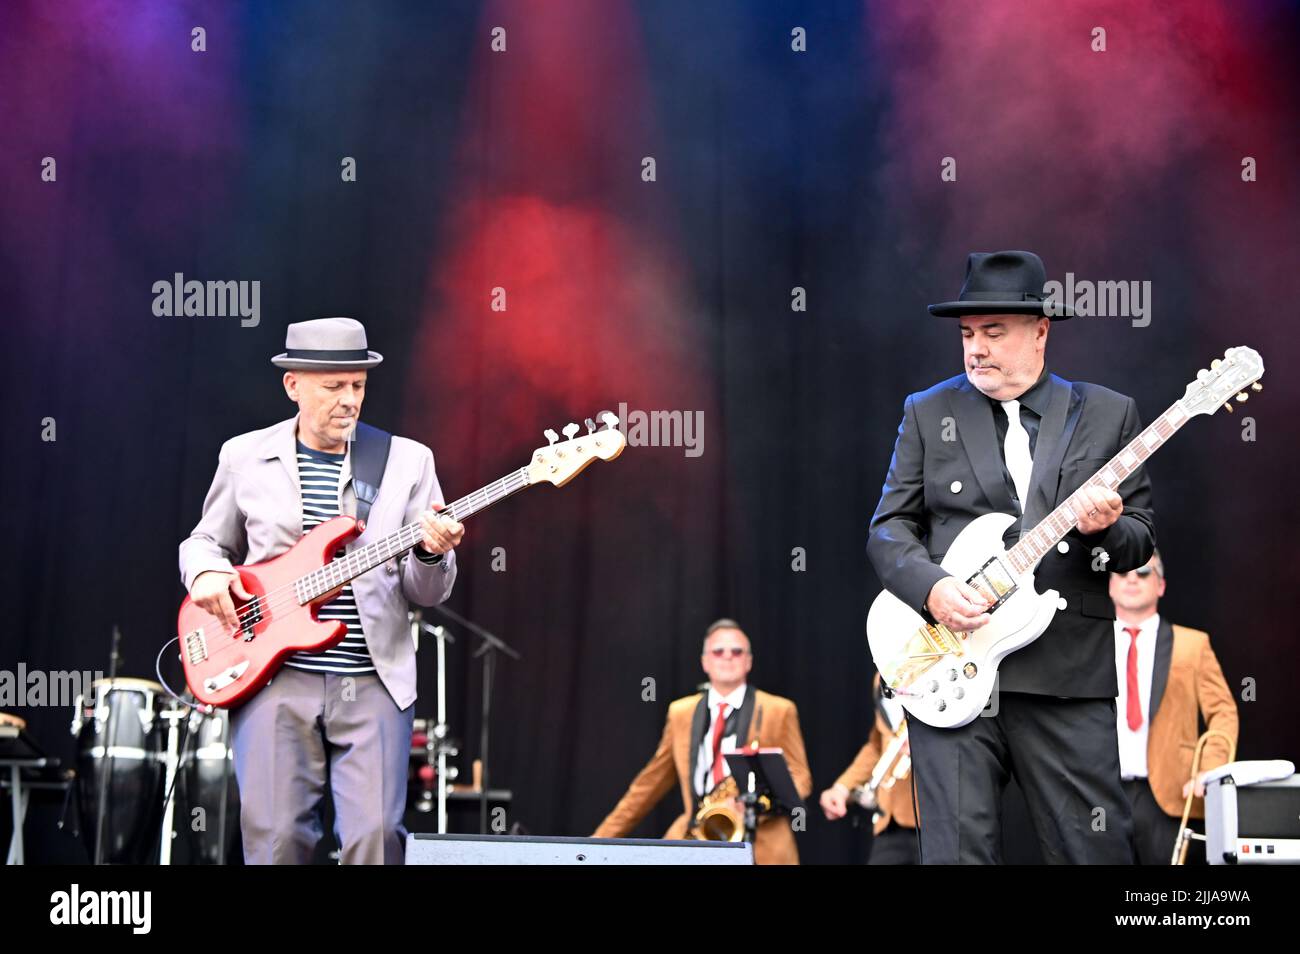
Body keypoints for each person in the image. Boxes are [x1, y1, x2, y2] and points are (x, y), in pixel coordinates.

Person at [867, 250, 1155, 863]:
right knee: (957, 856)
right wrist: (932, 589)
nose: (976, 348)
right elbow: (889, 529)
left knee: (1093, 853)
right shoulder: (929, 410)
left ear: (1040, 331)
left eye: (994, 332)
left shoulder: (1107, 412)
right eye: (968, 334)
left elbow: (1139, 542)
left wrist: (1107, 529)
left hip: (1066, 677)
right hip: (952, 673)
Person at [179, 316, 463, 864]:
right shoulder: (244, 457)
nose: (348, 399)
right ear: (294, 385)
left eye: (357, 385)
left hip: (373, 678)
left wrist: (431, 552)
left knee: (377, 839)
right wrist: (208, 574)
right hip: (275, 679)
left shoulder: (408, 461)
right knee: (278, 840)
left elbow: (425, 593)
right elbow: (204, 541)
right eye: (333, 386)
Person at [593, 619, 813, 864]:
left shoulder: (779, 710)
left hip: (762, 846)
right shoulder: (680, 713)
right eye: (718, 651)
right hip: (694, 840)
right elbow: (648, 785)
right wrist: (596, 842)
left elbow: (800, 777)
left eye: (737, 652)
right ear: (705, 662)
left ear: (748, 661)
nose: (727, 657)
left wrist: (756, 805)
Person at [1110, 550, 1238, 864]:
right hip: (1102, 792)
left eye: (1143, 572)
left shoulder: (1193, 644)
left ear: (1161, 585)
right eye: (1123, 572)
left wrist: (1208, 771)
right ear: (1109, 585)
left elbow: (1223, 712)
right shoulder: (1087, 643)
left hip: (1170, 795)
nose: (1132, 579)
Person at [819, 674, 919, 864]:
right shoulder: (881, 674)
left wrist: (923, 745)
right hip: (889, 823)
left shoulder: (937, 663)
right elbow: (877, 745)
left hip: (934, 820)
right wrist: (841, 788)